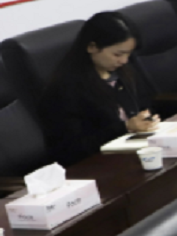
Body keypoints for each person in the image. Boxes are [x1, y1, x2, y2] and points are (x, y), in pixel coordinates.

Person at [38, 11, 159, 166]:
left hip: (134, 153)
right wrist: (125, 128)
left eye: (128, 54)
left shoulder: (123, 73)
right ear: (92, 47)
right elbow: (71, 149)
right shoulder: (65, 88)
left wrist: (147, 120)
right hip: (96, 165)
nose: (124, 61)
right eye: (118, 54)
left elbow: (143, 105)